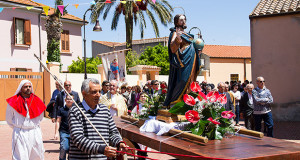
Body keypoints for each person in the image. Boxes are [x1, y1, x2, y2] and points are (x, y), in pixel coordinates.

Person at [68, 78, 128, 159]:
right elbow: (78, 138)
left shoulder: (104, 110)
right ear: (84, 94)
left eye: (99, 91)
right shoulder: (75, 111)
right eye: (94, 92)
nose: (98, 95)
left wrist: (119, 143)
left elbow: (113, 132)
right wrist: (101, 149)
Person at [163, 14, 201, 107]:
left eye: (184, 20)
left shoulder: (188, 35)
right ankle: (175, 102)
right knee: (182, 81)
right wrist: (178, 39)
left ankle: (187, 102)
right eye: (181, 20)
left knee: (190, 81)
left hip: (191, 61)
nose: (183, 22)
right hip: (182, 61)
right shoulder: (175, 33)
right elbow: (172, 48)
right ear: (176, 22)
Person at [6, 80, 46, 160]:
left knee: (37, 155)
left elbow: (40, 117)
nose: (28, 88)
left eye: (29, 86)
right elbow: (9, 119)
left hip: (34, 131)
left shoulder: (37, 100)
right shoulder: (13, 101)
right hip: (20, 133)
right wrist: (17, 127)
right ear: (21, 88)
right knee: (21, 156)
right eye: (25, 87)